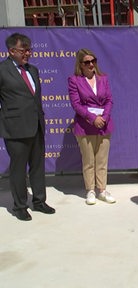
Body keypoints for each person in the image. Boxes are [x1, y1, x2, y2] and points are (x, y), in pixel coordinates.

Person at [0, 33, 55, 221]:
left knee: (38, 167)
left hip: (36, 126)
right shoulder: (2, 70)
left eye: (29, 50)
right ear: (11, 51)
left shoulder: (33, 70)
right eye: (24, 50)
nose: (28, 53)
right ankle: (20, 206)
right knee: (18, 169)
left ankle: (39, 202)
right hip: (15, 129)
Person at [68, 48, 115, 205]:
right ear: (80, 64)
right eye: (87, 62)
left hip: (104, 125)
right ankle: (90, 190)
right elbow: (76, 104)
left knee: (102, 160)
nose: (91, 64)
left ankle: (102, 190)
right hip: (85, 126)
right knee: (89, 161)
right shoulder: (74, 80)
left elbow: (109, 100)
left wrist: (104, 117)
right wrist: (92, 118)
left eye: (93, 61)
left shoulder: (103, 78)